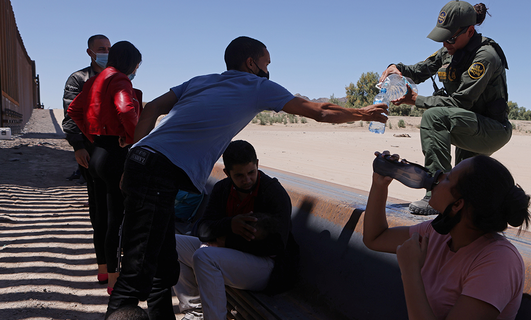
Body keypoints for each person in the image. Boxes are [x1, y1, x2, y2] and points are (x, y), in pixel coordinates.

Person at [106, 36, 387, 319]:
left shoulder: (200, 80)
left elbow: (152, 107)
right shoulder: (256, 86)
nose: (267, 70)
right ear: (252, 63)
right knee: (137, 274)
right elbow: (321, 111)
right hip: (157, 173)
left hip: (142, 161)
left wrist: (132, 156)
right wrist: (362, 114)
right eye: (266, 63)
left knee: (164, 266)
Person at [379, 1, 511, 215]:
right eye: (443, 38)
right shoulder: (448, 52)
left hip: (492, 129)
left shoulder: (485, 56)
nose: (446, 43)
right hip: (468, 124)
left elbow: (460, 103)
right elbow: (419, 70)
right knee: (465, 188)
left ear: (470, 31)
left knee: (434, 117)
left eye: (450, 38)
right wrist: (397, 69)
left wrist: (415, 99)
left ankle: (436, 193)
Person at [363, 151, 531, 320]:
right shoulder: (438, 234)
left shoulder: (498, 261)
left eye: (449, 178)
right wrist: (379, 185)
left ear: (458, 204)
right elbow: (376, 238)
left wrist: (410, 271)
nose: (438, 176)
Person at [174, 140, 298, 320]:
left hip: (267, 267)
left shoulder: (273, 193)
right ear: (227, 173)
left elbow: (276, 246)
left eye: (251, 172)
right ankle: (195, 313)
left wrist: (228, 241)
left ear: (257, 164)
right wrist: (229, 224)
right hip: (229, 256)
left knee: (204, 257)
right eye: (239, 175)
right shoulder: (222, 188)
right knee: (174, 243)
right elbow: (202, 229)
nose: (247, 180)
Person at [68, 40, 143, 294]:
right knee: (116, 219)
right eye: (136, 66)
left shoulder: (94, 80)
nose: (136, 71)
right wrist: (133, 137)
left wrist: (92, 137)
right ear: (129, 63)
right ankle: (114, 280)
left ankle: (102, 269)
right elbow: (125, 108)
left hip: (97, 152)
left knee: (99, 215)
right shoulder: (120, 79)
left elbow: (73, 109)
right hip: (114, 155)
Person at [62, 34, 111, 285]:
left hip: (115, 154)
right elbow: (70, 116)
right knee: (99, 213)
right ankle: (103, 265)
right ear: (90, 52)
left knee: (116, 212)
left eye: (109, 48)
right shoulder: (78, 79)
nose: (105, 52)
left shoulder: (117, 76)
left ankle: (114, 265)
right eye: (101, 49)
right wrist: (78, 147)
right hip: (91, 154)